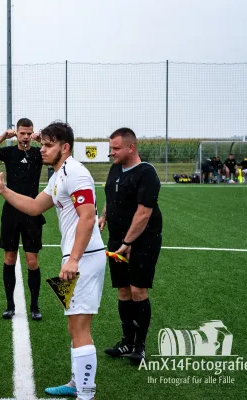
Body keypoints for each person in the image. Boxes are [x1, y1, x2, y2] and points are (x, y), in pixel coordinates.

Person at [0, 121, 105, 400]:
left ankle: (86, 394)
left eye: (48, 145)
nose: (42, 150)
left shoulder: (75, 173)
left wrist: (73, 259)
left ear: (65, 147)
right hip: (77, 257)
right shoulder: (59, 175)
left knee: (81, 326)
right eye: (43, 144)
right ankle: (77, 384)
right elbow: (35, 206)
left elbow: (87, 217)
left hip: (83, 258)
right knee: (75, 325)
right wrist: (4, 191)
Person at [99, 127, 163, 366]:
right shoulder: (115, 169)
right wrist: (104, 215)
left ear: (131, 147)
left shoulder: (147, 173)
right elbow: (111, 196)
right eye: (110, 148)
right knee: (123, 290)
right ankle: (126, 341)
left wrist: (128, 243)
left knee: (138, 291)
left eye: (115, 148)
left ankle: (139, 346)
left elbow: (144, 213)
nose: (111, 153)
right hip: (117, 240)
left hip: (142, 240)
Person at [0, 118, 45, 321]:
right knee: (9, 258)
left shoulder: (38, 153)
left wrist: (43, 140)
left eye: (29, 133)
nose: (25, 137)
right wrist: (1, 137)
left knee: (32, 261)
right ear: (16, 133)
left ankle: (34, 305)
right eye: (22, 133)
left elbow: (59, 154)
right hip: (11, 212)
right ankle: (10, 305)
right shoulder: (9, 153)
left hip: (32, 211)